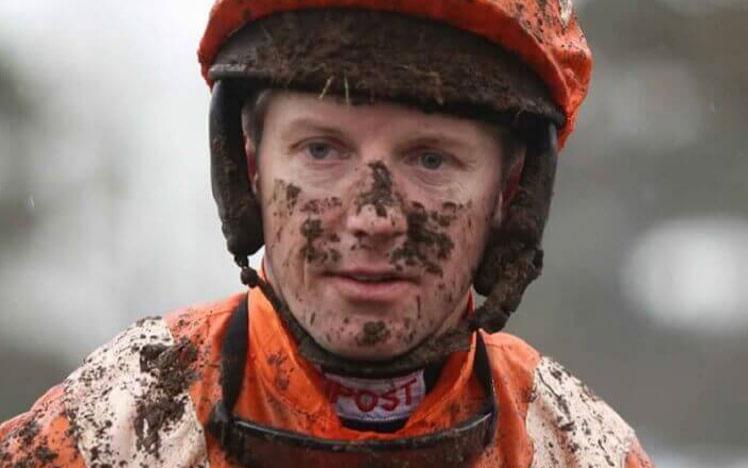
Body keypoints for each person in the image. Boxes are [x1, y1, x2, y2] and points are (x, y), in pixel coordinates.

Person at [0, 1, 653, 466]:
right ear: (251, 168)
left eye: (430, 159)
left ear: (506, 196)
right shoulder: (112, 432)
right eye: (321, 151)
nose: (373, 219)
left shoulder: (576, 449)